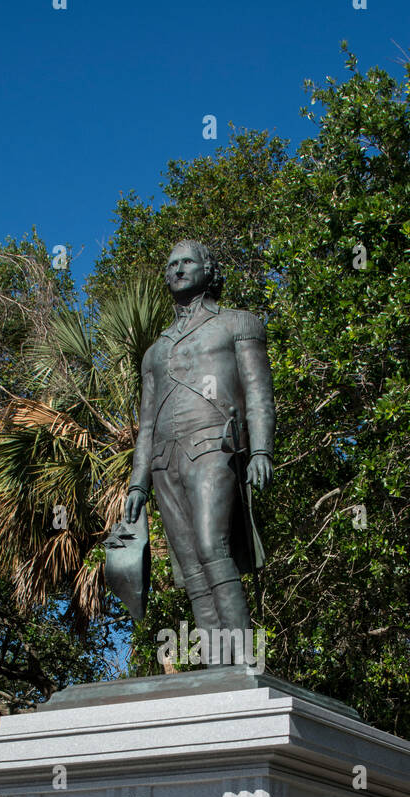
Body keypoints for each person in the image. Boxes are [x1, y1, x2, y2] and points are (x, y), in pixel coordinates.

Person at [124, 240, 275, 647]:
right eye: (171, 264)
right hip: (162, 461)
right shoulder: (155, 351)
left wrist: (261, 449)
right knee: (190, 564)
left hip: (215, 447)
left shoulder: (238, 323)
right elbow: (146, 422)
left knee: (212, 545)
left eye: (187, 261)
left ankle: (243, 656)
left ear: (208, 269)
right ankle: (216, 664)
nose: (177, 269)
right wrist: (138, 482)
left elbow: (258, 392)